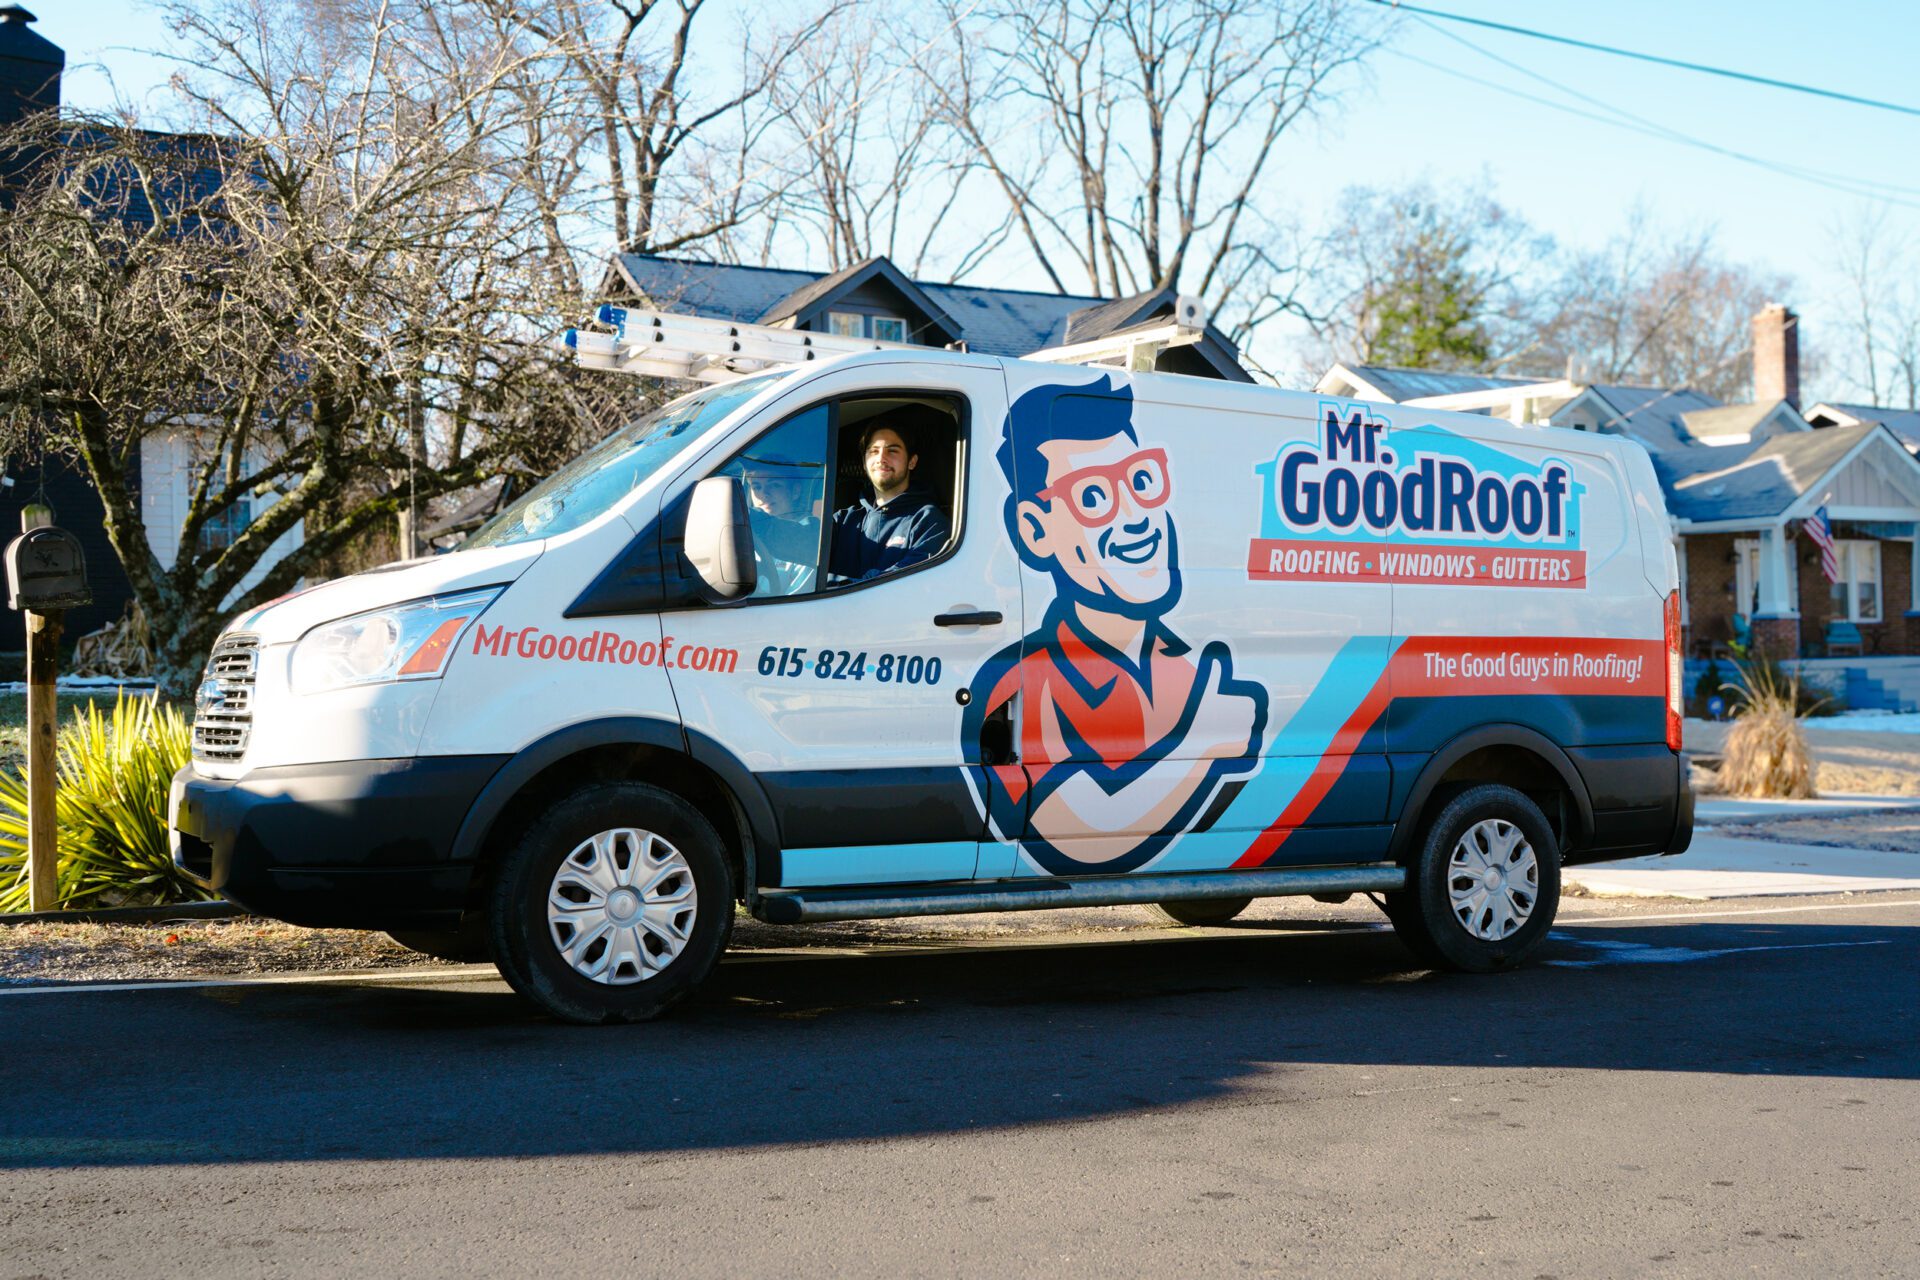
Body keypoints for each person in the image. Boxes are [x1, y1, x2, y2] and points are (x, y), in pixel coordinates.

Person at [963, 380, 1267, 877]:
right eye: (1094, 495)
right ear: (1036, 530)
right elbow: (1077, 830)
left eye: (1141, 480)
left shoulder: (1184, 665)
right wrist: (1202, 746)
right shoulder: (1023, 679)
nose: (1134, 517)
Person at [827, 422, 950, 582]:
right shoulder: (845, 520)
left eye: (892, 451)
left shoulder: (929, 522)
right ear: (864, 463)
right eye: (874, 451)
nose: (881, 458)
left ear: (912, 462)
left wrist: (826, 584)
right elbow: (803, 539)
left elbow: (892, 585)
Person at [739, 449, 822, 596]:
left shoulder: (810, 538)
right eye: (757, 487)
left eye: (775, 485)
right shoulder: (744, 535)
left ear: (795, 491)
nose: (764, 493)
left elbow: (799, 603)